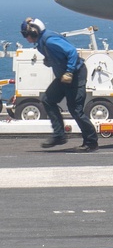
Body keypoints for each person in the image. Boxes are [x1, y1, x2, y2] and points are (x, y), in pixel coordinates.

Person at [20, 18, 99, 152]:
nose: (25, 37)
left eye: (26, 34)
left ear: (34, 32)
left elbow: (72, 52)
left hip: (75, 74)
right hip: (64, 76)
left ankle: (91, 142)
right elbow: (58, 55)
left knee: (75, 110)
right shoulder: (41, 42)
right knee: (47, 100)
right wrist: (49, 59)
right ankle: (59, 135)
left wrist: (69, 71)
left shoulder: (49, 40)